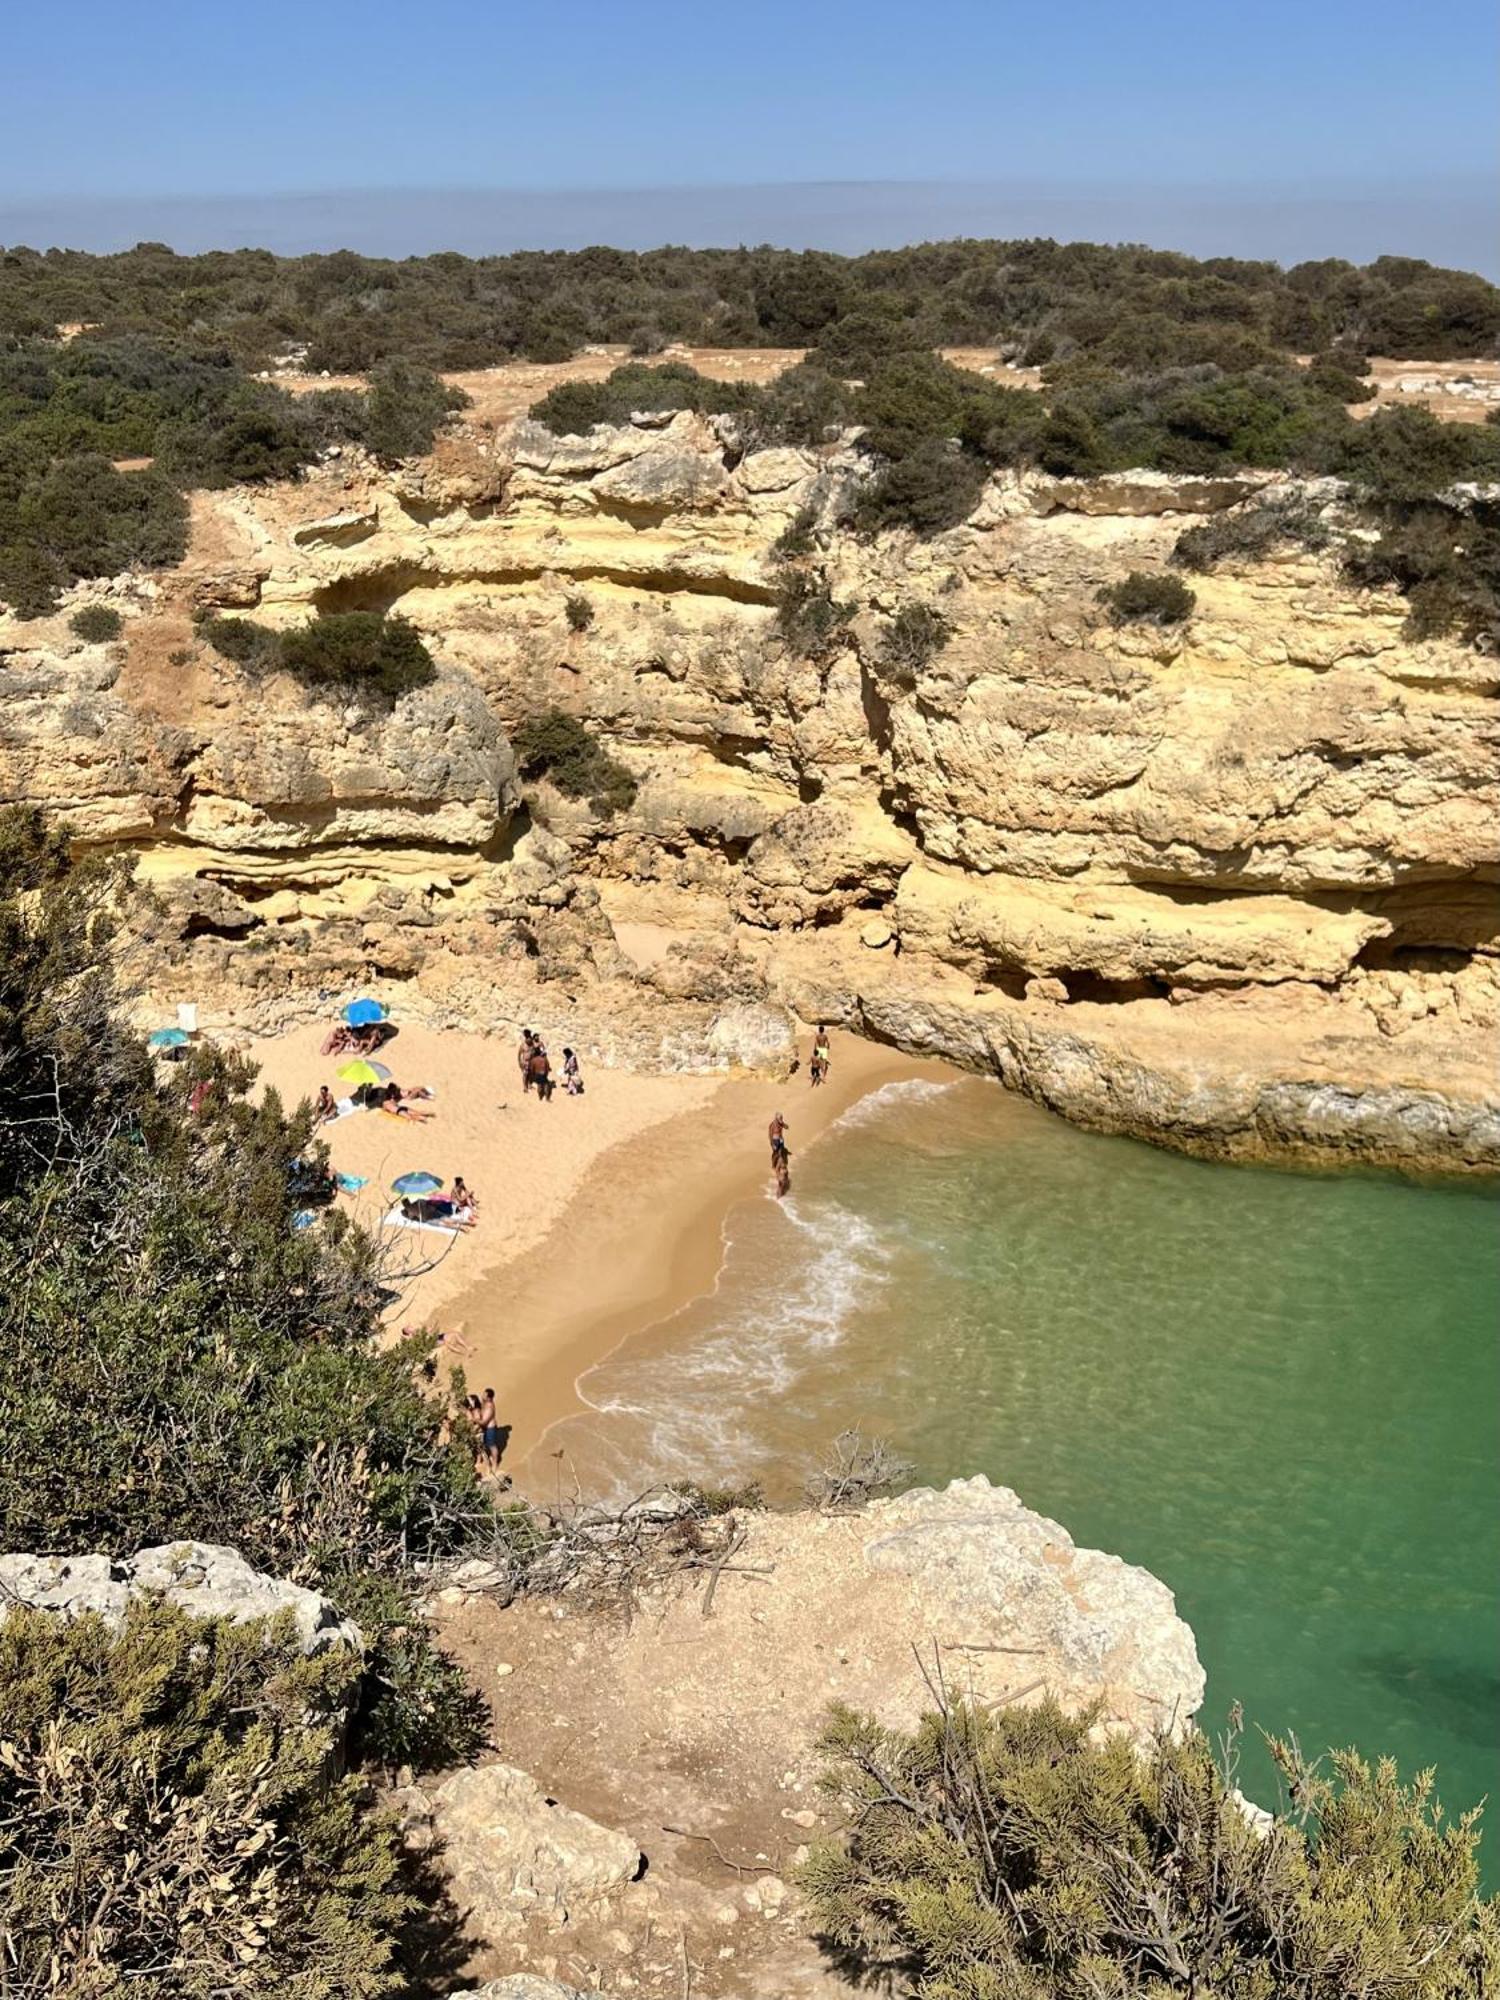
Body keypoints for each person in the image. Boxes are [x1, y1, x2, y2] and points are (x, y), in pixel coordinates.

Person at [478, 1387, 503, 1474]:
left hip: (490, 1428)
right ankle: (488, 1460)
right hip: (485, 1428)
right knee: (484, 1445)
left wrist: (474, 1420)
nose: (482, 1396)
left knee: (492, 1446)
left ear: (489, 1397)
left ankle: (495, 1464)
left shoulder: (490, 1407)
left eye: (484, 1395)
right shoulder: (484, 1403)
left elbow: (484, 1421)